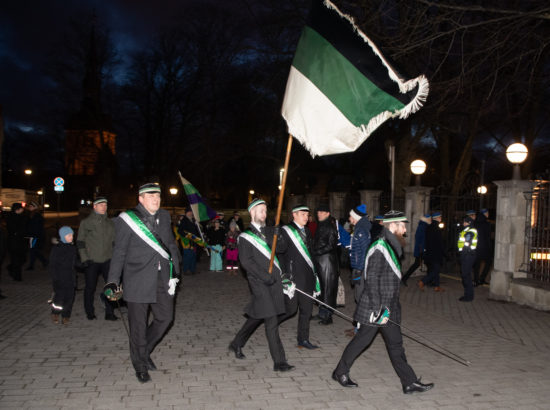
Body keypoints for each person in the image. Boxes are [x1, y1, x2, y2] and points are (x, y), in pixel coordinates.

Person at [332, 210, 434, 395]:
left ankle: (409, 382)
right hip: (377, 308)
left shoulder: (391, 244)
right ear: (392, 226)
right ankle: (340, 372)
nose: (404, 229)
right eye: (402, 225)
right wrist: (379, 310)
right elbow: (372, 280)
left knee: (396, 344)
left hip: (390, 307)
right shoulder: (380, 247)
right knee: (362, 341)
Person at [105, 182, 181, 383]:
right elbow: (119, 252)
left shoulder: (164, 216)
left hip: (163, 277)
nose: (155, 199)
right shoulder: (126, 220)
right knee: (138, 325)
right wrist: (113, 280)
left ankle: (144, 351)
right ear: (140, 198)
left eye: (157, 195)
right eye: (150, 196)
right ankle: (140, 364)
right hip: (137, 278)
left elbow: (170, 243)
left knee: (165, 318)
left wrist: (177, 269)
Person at [229, 198, 295, 372]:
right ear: (252, 213)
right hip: (259, 283)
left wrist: (278, 236)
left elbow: (281, 249)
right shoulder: (245, 237)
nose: (264, 214)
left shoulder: (270, 231)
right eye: (261, 210)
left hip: (274, 282)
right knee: (271, 320)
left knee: (257, 316)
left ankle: (236, 343)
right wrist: (264, 276)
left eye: (266, 211)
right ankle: (279, 362)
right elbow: (246, 262)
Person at [279, 204, 320, 349]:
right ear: (294, 215)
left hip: (308, 278)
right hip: (293, 277)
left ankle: (303, 339)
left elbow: (312, 254)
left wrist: (317, 274)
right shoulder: (285, 231)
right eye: (303, 214)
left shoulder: (308, 231)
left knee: (307, 311)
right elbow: (280, 255)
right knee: (290, 310)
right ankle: (272, 323)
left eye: (307, 215)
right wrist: (285, 275)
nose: (306, 217)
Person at [76, 197, 117, 321]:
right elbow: (80, 241)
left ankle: (109, 312)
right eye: (101, 205)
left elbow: (114, 242)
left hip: (107, 259)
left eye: (105, 205)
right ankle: (90, 312)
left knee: (110, 287)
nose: (104, 207)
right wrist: (84, 258)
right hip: (92, 260)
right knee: (90, 287)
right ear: (94, 207)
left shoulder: (110, 223)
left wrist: (116, 257)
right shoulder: (86, 222)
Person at [312, 203, 339, 325]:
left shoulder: (330, 226)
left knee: (328, 289)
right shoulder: (321, 225)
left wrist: (316, 251)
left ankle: (328, 317)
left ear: (328, 214)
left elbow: (331, 245)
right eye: (318, 212)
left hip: (327, 262)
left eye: (322, 212)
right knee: (322, 288)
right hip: (321, 261)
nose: (319, 214)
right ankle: (322, 313)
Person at [49, 226, 77, 325]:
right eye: (69, 235)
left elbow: (75, 262)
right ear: (63, 236)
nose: (71, 237)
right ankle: (55, 312)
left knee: (69, 298)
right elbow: (52, 265)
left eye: (72, 235)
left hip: (70, 277)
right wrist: (55, 278)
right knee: (59, 297)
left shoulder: (72, 248)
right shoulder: (56, 249)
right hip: (60, 278)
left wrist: (84, 263)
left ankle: (66, 315)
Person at [348, 204, 371, 301]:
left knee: (360, 296)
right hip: (359, 267)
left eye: (350, 216)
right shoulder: (359, 228)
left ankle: (363, 315)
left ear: (355, 217)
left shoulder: (361, 230)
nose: (349, 218)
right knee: (359, 294)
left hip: (361, 268)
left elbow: (365, 251)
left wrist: (358, 270)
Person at [418, 212, 446, 292]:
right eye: (440, 217)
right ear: (437, 218)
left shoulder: (429, 226)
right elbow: (439, 242)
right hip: (435, 253)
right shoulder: (436, 228)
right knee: (436, 270)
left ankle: (437, 286)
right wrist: (444, 253)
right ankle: (423, 281)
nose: (441, 218)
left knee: (435, 270)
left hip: (430, 252)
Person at [402, 214, 431, 286]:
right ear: (426, 219)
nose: (431, 220)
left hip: (422, 249)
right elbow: (419, 239)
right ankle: (404, 278)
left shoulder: (424, 226)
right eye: (430, 219)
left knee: (427, 264)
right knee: (417, 264)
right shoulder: (422, 226)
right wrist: (422, 249)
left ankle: (428, 280)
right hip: (421, 250)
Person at [6, 203, 28, 281]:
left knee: (23, 259)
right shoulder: (11, 217)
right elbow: (12, 230)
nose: (23, 209)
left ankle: (11, 268)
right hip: (14, 242)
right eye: (21, 208)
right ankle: (17, 276)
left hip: (21, 242)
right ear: (17, 209)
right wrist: (18, 232)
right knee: (16, 260)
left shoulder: (23, 216)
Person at [458, 216, 477, 302]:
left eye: (465, 222)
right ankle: (468, 295)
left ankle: (469, 296)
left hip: (468, 255)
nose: (463, 223)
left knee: (466, 275)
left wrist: (463, 254)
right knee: (466, 275)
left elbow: (467, 244)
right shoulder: (466, 230)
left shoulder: (470, 231)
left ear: (468, 223)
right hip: (467, 255)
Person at [25, 201, 48, 270]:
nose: (30, 207)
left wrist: (33, 235)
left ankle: (33, 265)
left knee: (33, 250)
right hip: (33, 236)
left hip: (35, 236)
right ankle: (44, 261)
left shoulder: (37, 216)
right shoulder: (31, 215)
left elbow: (36, 227)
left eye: (31, 206)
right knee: (34, 250)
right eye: (29, 206)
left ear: (35, 207)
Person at [178, 208, 199, 275]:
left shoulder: (193, 220)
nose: (190, 213)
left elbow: (197, 231)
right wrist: (186, 235)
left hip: (194, 241)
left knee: (193, 255)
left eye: (191, 212)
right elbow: (180, 231)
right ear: (186, 213)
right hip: (187, 242)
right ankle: (186, 269)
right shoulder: (184, 220)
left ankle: (192, 269)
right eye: (188, 212)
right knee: (187, 256)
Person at [473, 209, 492, 286]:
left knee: (477, 264)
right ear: (484, 214)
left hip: (476, 246)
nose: (488, 214)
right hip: (484, 247)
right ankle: (482, 278)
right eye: (487, 213)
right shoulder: (486, 224)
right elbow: (488, 236)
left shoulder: (475, 223)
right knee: (488, 262)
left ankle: (476, 280)